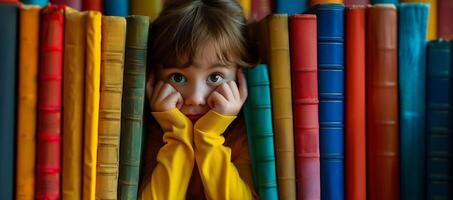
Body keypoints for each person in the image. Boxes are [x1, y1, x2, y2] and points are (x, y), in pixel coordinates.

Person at [138, 0, 259, 199]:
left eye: (215, 77)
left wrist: (209, 136)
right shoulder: (147, 135)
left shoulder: (244, 137)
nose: (195, 98)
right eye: (178, 77)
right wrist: (176, 134)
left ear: (240, 79)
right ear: (152, 79)